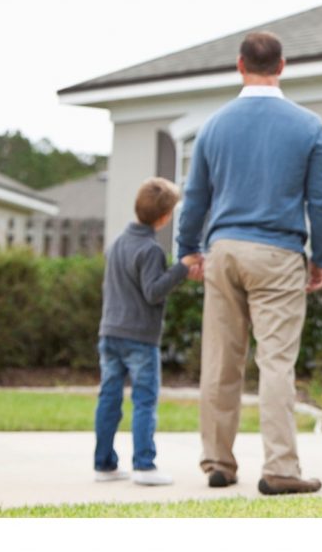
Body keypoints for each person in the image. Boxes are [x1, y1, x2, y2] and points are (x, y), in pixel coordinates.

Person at [176, 31, 322, 495]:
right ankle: (281, 467)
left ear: (240, 66)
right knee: (276, 362)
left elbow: (194, 198)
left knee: (221, 362)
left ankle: (219, 463)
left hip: (223, 250)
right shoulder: (308, 125)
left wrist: (188, 248)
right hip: (278, 253)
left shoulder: (214, 125)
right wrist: (320, 256)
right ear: (282, 66)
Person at [95, 177, 201, 486]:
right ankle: (144, 464)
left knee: (109, 399)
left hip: (109, 333)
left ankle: (104, 464)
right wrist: (181, 268)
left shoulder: (116, 243)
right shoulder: (150, 250)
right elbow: (153, 291)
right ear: (166, 216)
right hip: (139, 338)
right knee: (143, 400)